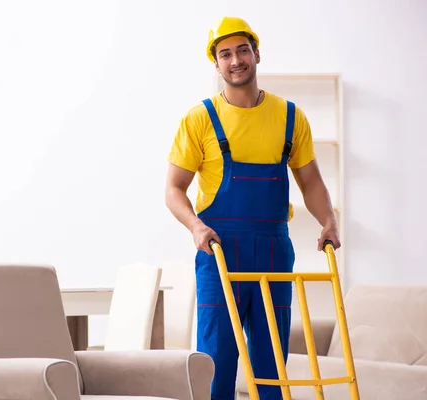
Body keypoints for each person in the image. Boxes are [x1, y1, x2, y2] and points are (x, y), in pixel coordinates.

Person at [164, 16, 340, 400]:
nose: (235, 60)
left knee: (271, 363)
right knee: (216, 363)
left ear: (256, 54)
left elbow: (310, 181)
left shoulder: (290, 117)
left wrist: (328, 221)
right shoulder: (200, 120)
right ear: (216, 64)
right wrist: (195, 226)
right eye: (225, 54)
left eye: (243, 50)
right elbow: (174, 190)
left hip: (273, 251)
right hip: (219, 252)